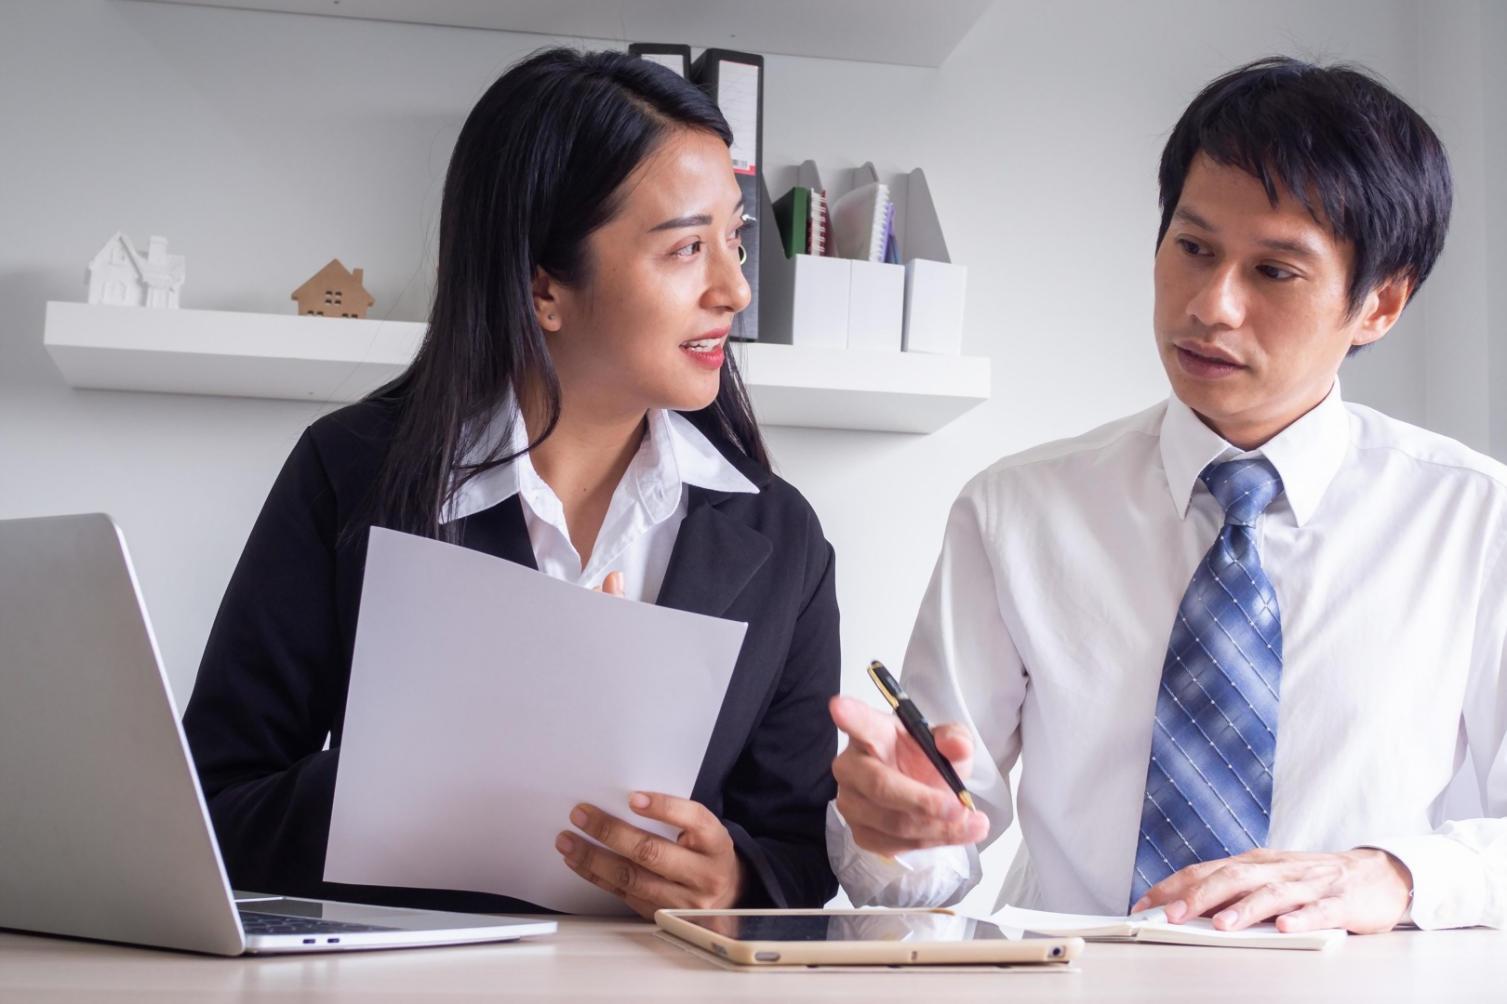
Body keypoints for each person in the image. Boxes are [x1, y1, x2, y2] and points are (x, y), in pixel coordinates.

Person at [827, 56, 1506, 933]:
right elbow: (933, 848)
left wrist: (1395, 877)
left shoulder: (1476, 519)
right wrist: (889, 831)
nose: (1211, 305)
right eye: (1192, 249)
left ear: (1378, 304)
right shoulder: (1016, 511)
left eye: (1274, 272)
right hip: (1072, 988)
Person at [183, 48, 839, 919]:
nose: (734, 289)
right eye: (687, 247)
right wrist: (417, 763)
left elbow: (795, 846)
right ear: (542, 288)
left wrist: (733, 878)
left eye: (734, 240)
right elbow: (213, 813)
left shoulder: (782, 537)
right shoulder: (347, 474)